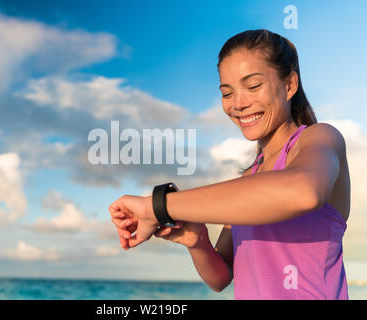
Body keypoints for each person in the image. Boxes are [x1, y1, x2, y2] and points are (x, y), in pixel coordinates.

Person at [108, 29, 350, 300]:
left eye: (253, 86)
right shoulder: (250, 178)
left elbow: (304, 192)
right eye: (227, 93)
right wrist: (197, 241)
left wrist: (157, 206)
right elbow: (221, 277)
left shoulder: (319, 138)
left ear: (290, 85)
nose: (238, 103)